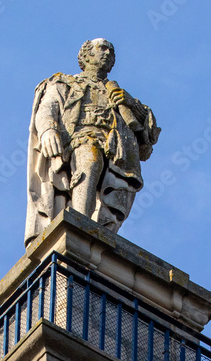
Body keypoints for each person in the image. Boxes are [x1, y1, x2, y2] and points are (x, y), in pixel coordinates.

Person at [25, 38, 160, 246]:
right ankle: (79, 224)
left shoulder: (117, 92)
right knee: (90, 162)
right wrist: (48, 130)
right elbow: (48, 106)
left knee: (118, 193)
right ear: (86, 55)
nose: (107, 54)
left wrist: (130, 103)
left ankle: (100, 233)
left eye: (111, 51)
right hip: (82, 137)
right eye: (102, 48)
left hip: (117, 147)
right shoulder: (64, 82)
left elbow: (147, 134)